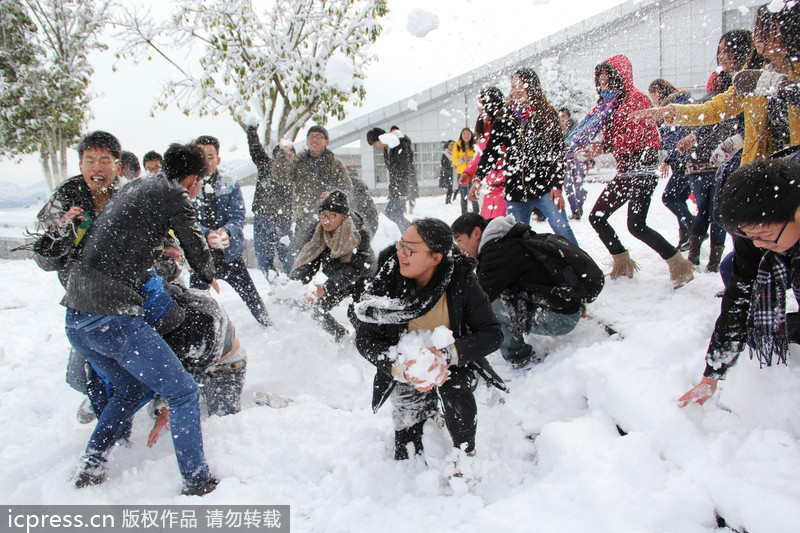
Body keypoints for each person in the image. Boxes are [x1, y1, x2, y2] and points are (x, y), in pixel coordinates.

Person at [61, 142, 219, 496]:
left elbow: (128, 235)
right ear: (192, 179)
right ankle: (197, 481)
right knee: (183, 393)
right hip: (111, 316)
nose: (196, 191)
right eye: (199, 185)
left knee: (134, 388)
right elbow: (194, 244)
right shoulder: (175, 194)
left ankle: (92, 465)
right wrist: (208, 272)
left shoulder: (137, 186)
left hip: (76, 318)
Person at [352, 218, 505, 460]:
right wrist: (400, 368)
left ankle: (465, 456)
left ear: (436, 258)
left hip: (451, 362)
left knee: (456, 391)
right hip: (404, 363)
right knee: (409, 453)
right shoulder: (388, 279)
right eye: (400, 245)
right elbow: (365, 338)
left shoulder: (461, 279)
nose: (400, 254)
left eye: (410, 249)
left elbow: (492, 334)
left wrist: (446, 356)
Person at [678, 159, 800, 407]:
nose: (756, 243)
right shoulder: (757, 230)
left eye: (763, 235)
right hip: (788, 249)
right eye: (749, 235)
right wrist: (712, 374)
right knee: (733, 267)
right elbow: (739, 297)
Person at [579, 55, 695, 287]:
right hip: (624, 172)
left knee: (637, 226)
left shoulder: (637, 98)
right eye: (599, 78)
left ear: (619, 77)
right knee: (597, 217)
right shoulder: (609, 104)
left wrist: (606, 145)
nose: (602, 83)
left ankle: (678, 265)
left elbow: (638, 135)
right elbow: (615, 140)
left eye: (606, 77)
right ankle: (622, 263)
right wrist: (598, 147)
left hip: (643, 170)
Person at [452, 213, 602, 367]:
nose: (459, 247)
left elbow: (479, 299)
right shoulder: (508, 236)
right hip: (569, 305)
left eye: (459, 240)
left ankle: (519, 357)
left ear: (477, 233)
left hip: (561, 319)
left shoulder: (497, 252)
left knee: (489, 308)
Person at [480, 68, 578, 245]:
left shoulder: (546, 114)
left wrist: (556, 184)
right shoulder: (505, 116)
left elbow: (557, 152)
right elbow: (492, 150)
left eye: (520, 85)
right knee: (517, 237)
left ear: (532, 87)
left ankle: (581, 268)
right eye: (513, 86)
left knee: (562, 228)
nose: (515, 90)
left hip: (545, 187)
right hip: (516, 190)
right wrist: (479, 176)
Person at [191, 135, 272, 327]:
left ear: (218, 159)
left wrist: (225, 232)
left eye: (210, 156)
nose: (206, 160)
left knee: (252, 297)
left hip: (230, 254)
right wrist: (206, 234)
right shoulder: (188, 186)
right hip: (201, 257)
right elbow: (187, 221)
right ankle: (197, 337)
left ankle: (269, 327)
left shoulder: (230, 183)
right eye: (201, 156)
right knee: (195, 303)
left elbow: (238, 216)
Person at [290, 190, 375, 341]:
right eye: (323, 215)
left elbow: (355, 268)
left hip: (363, 279)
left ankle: (366, 343)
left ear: (344, 217)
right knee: (317, 309)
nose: (326, 220)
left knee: (357, 314)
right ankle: (341, 337)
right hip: (338, 279)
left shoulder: (359, 234)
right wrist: (295, 284)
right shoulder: (319, 233)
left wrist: (326, 288)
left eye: (332, 215)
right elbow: (310, 262)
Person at [272, 125, 354, 237]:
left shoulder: (336, 164)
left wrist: (334, 195)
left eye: (319, 136)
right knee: (302, 252)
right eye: (311, 136)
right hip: (305, 218)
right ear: (306, 142)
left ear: (327, 142)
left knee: (331, 253)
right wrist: (282, 153)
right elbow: (279, 177)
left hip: (331, 219)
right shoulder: (298, 162)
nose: (314, 140)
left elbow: (348, 190)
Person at [647, 79, 695, 250]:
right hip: (684, 160)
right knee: (679, 199)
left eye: (653, 97)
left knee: (669, 198)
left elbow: (678, 138)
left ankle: (696, 228)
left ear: (658, 93)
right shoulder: (679, 103)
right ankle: (686, 238)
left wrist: (670, 159)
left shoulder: (674, 106)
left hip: (686, 161)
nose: (653, 102)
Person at [247, 125, 294, 278]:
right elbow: (256, 150)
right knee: (263, 259)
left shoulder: (296, 173)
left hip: (283, 221)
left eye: (289, 152)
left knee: (289, 259)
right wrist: (252, 132)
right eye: (281, 152)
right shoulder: (266, 166)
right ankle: (276, 288)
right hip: (262, 218)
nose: (285, 155)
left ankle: (294, 288)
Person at [462, 87, 508, 221]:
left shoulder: (504, 124)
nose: (479, 108)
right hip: (491, 186)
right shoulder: (484, 125)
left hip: (505, 186)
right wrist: (469, 173)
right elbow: (483, 155)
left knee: (501, 227)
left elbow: (496, 154)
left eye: (481, 104)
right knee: (488, 227)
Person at [366, 127, 414, 232]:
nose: (377, 146)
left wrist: (401, 190)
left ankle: (412, 231)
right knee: (397, 214)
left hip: (401, 188)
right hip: (396, 187)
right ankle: (406, 235)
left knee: (390, 212)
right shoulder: (388, 148)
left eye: (375, 143)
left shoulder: (399, 145)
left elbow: (404, 170)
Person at [558, 108, 587, 221]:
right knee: (568, 186)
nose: (563, 119)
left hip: (576, 159)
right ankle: (575, 210)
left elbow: (579, 142)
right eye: (561, 117)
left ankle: (579, 207)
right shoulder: (558, 129)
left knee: (578, 186)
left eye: (564, 116)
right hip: (564, 161)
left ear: (569, 117)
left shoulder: (576, 128)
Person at [391, 126, 419, 213]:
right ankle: (405, 206)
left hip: (406, 172)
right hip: (403, 173)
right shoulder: (393, 145)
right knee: (405, 190)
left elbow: (406, 161)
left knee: (408, 189)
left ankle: (410, 205)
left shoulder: (403, 143)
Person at [451, 127, 479, 214]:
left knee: (473, 194)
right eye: (464, 134)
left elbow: (477, 158)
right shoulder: (457, 145)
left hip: (473, 173)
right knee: (463, 195)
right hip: (461, 173)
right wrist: (462, 159)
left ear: (471, 135)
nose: (466, 136)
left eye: (468, 134)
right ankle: (464, 213)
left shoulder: (475, 145)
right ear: (461, 135)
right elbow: (454, 160)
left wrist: (470, 159)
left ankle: (476, 213)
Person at [439, 140, 455, 204]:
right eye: (450, 144)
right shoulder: (445, 153)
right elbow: (443, 164)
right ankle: (448, 200)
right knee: (450, 187)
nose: (452, 146)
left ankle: (454, 198)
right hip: (448, 173)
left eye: (453, 144)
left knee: (456, 186)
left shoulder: (457, 153)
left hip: (455, 172)